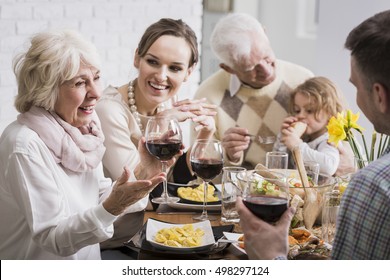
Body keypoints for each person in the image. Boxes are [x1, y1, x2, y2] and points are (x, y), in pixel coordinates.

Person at [0, 30, 176, 260]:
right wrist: (112, 207)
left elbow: (97, 197)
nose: (96, 93)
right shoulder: (24, 145)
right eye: (80, 82)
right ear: (46, 90)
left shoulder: (85, 131)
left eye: (96, 77)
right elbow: (52, 238)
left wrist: (144, 172)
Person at [237, 9, 390, 260]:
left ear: (380, 96)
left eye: (355, 87)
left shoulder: (372, 184)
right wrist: (285, 139)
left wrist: (271, 258)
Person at [95, 18, 216, 255]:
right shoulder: (108, 111)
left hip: (153, 234)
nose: (161, 76)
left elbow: (176, 181)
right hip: (114, 244)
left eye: (175, 68)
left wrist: (205, 135)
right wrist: (161, 123)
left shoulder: (166, 105)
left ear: (188, 72)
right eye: (153, 62)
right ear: (137, 58)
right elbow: (138, 189)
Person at [192, 13, 314, 170]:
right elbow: (200, 170)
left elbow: (331, 141)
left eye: (266, 56)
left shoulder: (304, 80)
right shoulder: (207, 96)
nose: (266, 71)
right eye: (251, 68)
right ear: (228, 69)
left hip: (297, 188)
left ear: (265, 33)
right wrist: (229, 155)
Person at [273, 76, 348, 176]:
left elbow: (329, 167)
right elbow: (276, 167)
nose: (300, 115)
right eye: (297, 110)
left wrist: (296, 145)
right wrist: (283, 138)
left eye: (309, 110)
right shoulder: (303, 138)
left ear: (330, 113)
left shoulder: (329, 139)